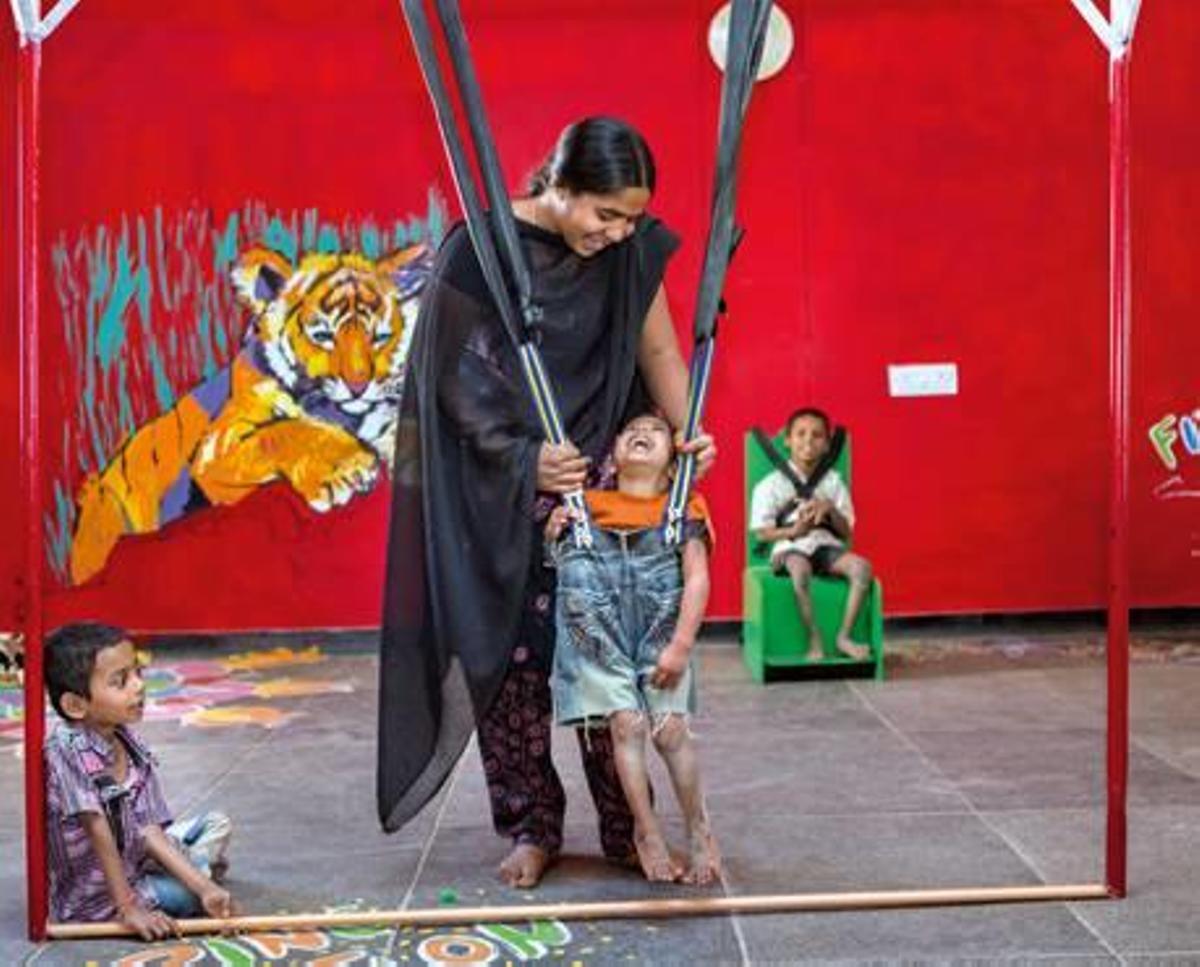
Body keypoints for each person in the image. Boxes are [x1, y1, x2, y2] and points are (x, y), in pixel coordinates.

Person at [379, 116, 716, 889]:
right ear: (557, 189)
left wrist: (687, 429)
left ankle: (630, 820)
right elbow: (445, 377)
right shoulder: (481, 251)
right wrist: (525, 459)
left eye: (632, 215)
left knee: (608, 655)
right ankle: (532, 822)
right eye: (605, 213)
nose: (621, 231)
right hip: (500, 487)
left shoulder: (631, 251)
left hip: (597, 482)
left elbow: (657, 347)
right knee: (514, 661)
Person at [546, 413, 720, 884]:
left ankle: (698, 827)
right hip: (596, 629)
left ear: (672, 466)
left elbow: (697, 578)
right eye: (629, 431)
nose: (641, 433)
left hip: (660, 628)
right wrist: (554, 534)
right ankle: (646, 831)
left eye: (657, 431)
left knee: (668, 731)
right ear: (614, 455)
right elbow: (560, 570)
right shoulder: (583, 505)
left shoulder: (684, 506)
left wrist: (681, 645)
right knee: (626, 724)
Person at [43, 622, 234, 938]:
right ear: (76, 705)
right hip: (100, 899)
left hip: (135, 856)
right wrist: (129, 907)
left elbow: (148, 830)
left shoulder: (129, 744)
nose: (139, 686)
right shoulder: (66, 747)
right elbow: (96, 826)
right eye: (120, 682)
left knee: (217, 822)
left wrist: (206, 888)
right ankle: (196, 864)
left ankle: (197, 866)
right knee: (186, 896)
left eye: (137, 674)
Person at [749, 408, 873, 661]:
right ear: (787, 439)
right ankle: (814, 639)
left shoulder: (834, 483)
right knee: (800, 569)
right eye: (800, 434)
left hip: (825, 546)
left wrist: (830, 510)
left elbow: (846, 531)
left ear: (827, 445)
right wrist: (793, 531)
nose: (808, 441)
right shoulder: (770, 485)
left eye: (817, 436)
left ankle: (844, 637)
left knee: (861, 568)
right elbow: (762, 534)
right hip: (789, 548)